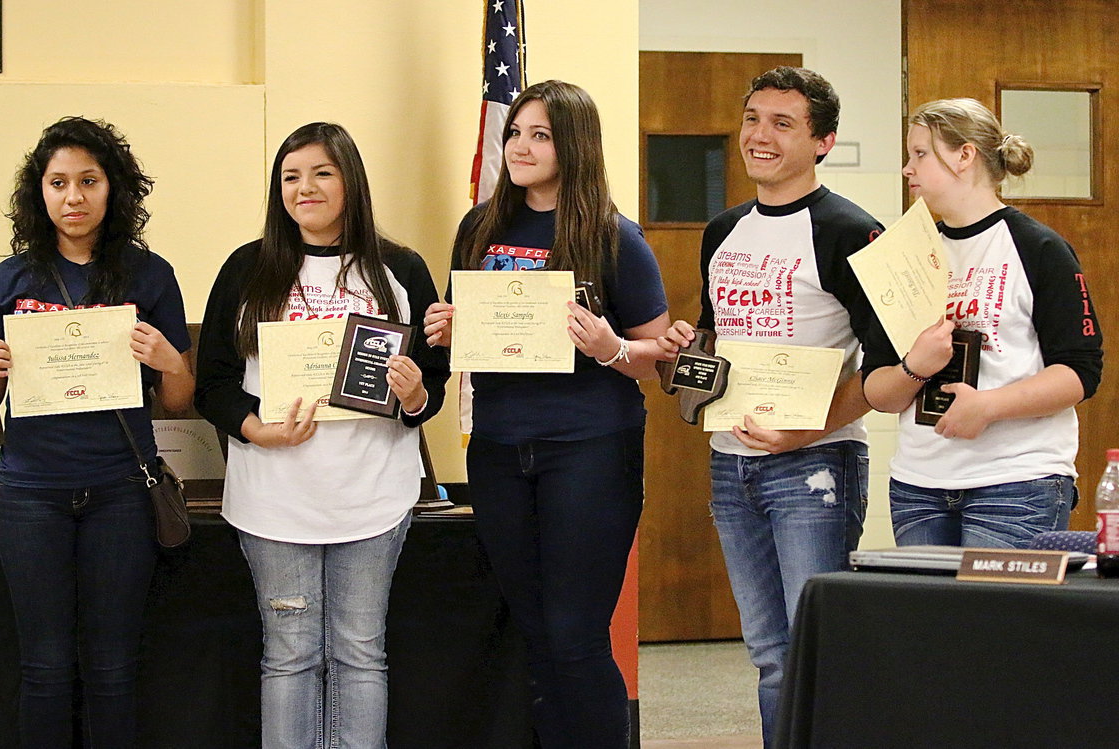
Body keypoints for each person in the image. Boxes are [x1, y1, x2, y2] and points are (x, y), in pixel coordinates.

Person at [423, 80, 669, 748]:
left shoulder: (614, 235)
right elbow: (461, 325)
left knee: (575, 633)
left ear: (575, 145)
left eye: (540, 135)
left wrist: (610, 346)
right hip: (500, 448)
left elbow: (660, 353)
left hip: (589, 448)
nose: (520, 146)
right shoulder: (480, 228)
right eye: (514, 133)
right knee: (534, 632)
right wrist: (445, 325)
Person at [194, 122, 448, 749]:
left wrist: (415, 394)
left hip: (372, 496)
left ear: (350, 181)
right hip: (274, 496)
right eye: (290, 176)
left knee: (362, 655)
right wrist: (259, 429)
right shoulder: (248, 268)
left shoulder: (401, 269)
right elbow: (215, 383)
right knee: (289, 656)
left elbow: (431, 388)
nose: (304, 188)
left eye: (321, 173)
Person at [657, 67, 881, 747]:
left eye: (783, 123)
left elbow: (889, 368)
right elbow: (712, 348)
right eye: (753, 118)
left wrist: (805, 430)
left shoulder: (850, 229)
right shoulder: (723, 229)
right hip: (732, 465)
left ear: (824, 141)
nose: (759, 135)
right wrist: (679, 354)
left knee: (817, 649)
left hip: (816, 467)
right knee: (769, 654)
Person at [0, 116, 193, 748]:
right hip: (32, 494)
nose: (73, 197)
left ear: (113, 189)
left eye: (88, 180)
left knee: (114, 669)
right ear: (40, 192)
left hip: (121, 491)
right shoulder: (10, 279)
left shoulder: (150, 274)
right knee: (45, 668)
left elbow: (176, 400)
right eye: (58, 182)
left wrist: (173, 362)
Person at [862, 98, 1103, 547]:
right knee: (926, 621)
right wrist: (916, 366)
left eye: (919, 154)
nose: (906, 169)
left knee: (999, 620)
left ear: (964, 156)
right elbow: (877, 391)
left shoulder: (1039, 248)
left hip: (1017, 482)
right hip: (919, 486)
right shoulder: (904, 257)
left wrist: (988, 407)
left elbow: (1080, 374)